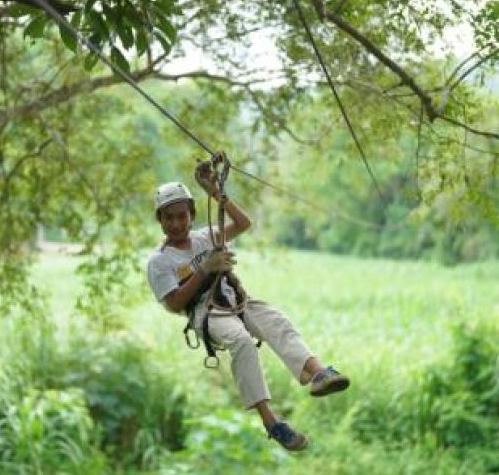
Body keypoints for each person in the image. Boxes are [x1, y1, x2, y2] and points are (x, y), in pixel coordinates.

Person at [146, 155, 350, 451]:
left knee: (277, 322)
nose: (176, 223)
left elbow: (243, 223)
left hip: (235, 300)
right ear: (160, 219)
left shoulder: (205, 237)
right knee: (240, 340)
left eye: (182, 216)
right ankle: (272, 422)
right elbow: (175, 304)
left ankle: (317, 372)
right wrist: (205, 269)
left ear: (192, 214)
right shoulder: (160, 261)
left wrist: (215, 191)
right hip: (206, 313)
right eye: (169, 218)